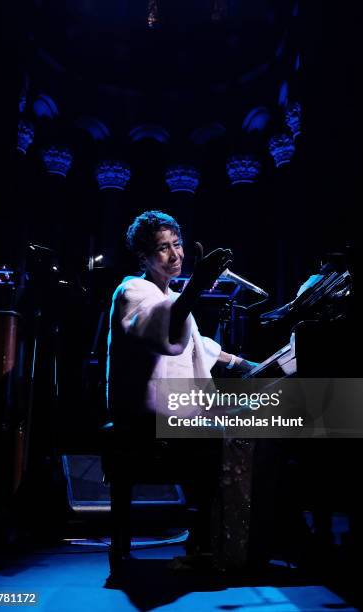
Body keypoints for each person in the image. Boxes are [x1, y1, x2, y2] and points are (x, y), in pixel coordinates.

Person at [105, 210, 255, 582]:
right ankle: (207, 546)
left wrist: (240, 362)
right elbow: (163, 325)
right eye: (162, 249)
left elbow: (194, 341)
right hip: (145, 420)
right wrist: (194, 288)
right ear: (142, 257)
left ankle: (237, 538)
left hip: (171, 412)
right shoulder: (132, 290)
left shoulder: (168, 294)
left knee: (247, 421)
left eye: (177, 244)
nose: (175, 255)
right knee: (226, 437)